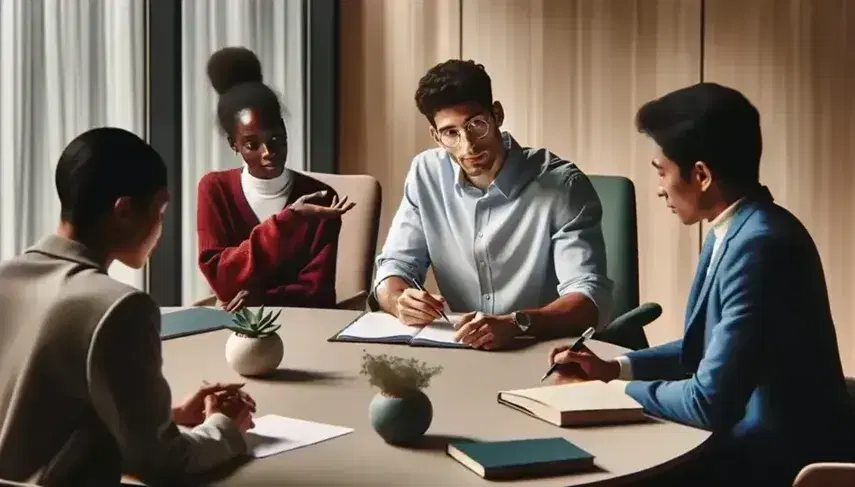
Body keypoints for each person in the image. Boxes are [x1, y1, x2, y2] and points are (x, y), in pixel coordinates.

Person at [548, 83, 855, 486]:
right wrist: (613, 369)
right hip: (746, 438)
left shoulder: (759, 245)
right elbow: (707, 350)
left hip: (775, 459)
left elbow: (708, 402)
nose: (659, 187)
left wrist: (609, 395)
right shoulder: (739, 229)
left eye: (662, 171)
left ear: (702, 175)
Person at [0, 128, 257, 485]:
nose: (161, 226)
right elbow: (164, 463)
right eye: (160, 209)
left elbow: (33, 413)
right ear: (123, 211)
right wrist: (226, 428)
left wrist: (167, 415)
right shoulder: (119, 308)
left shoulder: (6, 276)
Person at [373, 59, 613, 350]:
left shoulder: (564, 186)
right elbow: (395, 266)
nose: (468, 146)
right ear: (436, 135)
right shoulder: (426, 174)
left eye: (477, 125)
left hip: (544, 350)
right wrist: (399, 301)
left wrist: (516, 323)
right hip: (460, 350)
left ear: (496, 115)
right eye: (451, 133)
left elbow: (588, 299)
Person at [197, 47, 354, 311]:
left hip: (304, 327)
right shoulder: (215, 189)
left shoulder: (322, 198)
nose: (268, 153)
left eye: (276, 140)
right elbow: (221, 278)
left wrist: (259, 297)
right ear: (233, 145)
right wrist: (288, 220)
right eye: (252, 144)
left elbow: (318, 292)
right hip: (234, 328)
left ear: (285, 130)